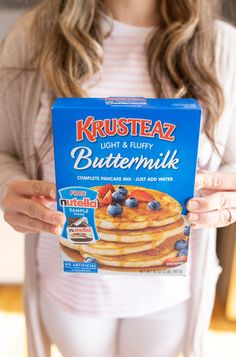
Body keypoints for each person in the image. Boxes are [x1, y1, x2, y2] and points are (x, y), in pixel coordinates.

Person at [0, 1, 236, 356]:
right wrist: (9, 187)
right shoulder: (33, 35)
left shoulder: (222, 46)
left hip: (170, 295)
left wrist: (226, 199)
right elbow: (3, 151)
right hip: (70, 287)